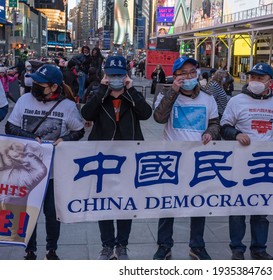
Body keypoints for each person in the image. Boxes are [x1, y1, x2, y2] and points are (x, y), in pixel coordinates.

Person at [5, 64, 85, 260]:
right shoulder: (24, 101)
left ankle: (52, 250)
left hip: (54, 172)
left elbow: (79, 130)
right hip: (24, 171)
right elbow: (9, 127)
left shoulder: (67, 107)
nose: (35, 85)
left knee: (52, 213)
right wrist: (30, 138)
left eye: (41, 83)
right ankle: (29, 250)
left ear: (53, 87)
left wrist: (66, 139)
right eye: (35, 81)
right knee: (27, 212)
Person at [220, 63, 273, 260]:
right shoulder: (236, 101)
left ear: (270, 82)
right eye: (252, 77)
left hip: (265, 167)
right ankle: (237, 248)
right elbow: (224, 127)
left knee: (261, 210)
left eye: (260, 78)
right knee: (237, 208)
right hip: (240, 164)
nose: (255, 81)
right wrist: (236, 134)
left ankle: (259, 248)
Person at [81, 56, 152, 260]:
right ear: (105, 75)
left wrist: (130, 91)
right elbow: (87, 113)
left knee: (125, 204)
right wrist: (103, 91)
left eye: (119, 75)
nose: (115, 79)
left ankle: (121, 245)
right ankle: (106, 245)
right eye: (111, 75)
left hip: (128, 159)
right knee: (103, 203)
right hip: (103, 159)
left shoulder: (132, 95)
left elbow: (146, 113)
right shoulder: (98, 93)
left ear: (126, 76)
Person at [153, 56, 220, 260]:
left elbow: (215, 122)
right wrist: (173, 91)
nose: (189, 77)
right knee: (168, 204)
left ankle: (197, 245)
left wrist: (211, 132)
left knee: (199, 203)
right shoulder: (166, 94)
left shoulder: (208, 98)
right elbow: (159, 118)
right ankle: (164, 245)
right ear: (176, 76)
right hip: (172, 160)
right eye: (183, 73)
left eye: (192, 72)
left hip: (199, 160)